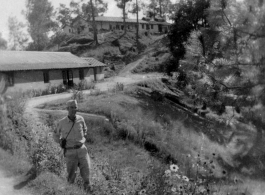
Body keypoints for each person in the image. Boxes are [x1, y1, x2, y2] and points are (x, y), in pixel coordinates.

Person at [54, 99, 91, 192]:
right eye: (72, 107)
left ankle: (87, 191)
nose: (74, 109)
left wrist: (83, 139)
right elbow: (55, 135)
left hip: (82, 150)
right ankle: (70, 192)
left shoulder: (81, 119)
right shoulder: (62, 122)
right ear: (67, 108)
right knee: (71, 177)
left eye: (75, 107)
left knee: (87, 175)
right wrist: (60, 142)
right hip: (70, 152)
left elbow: (85, 130)